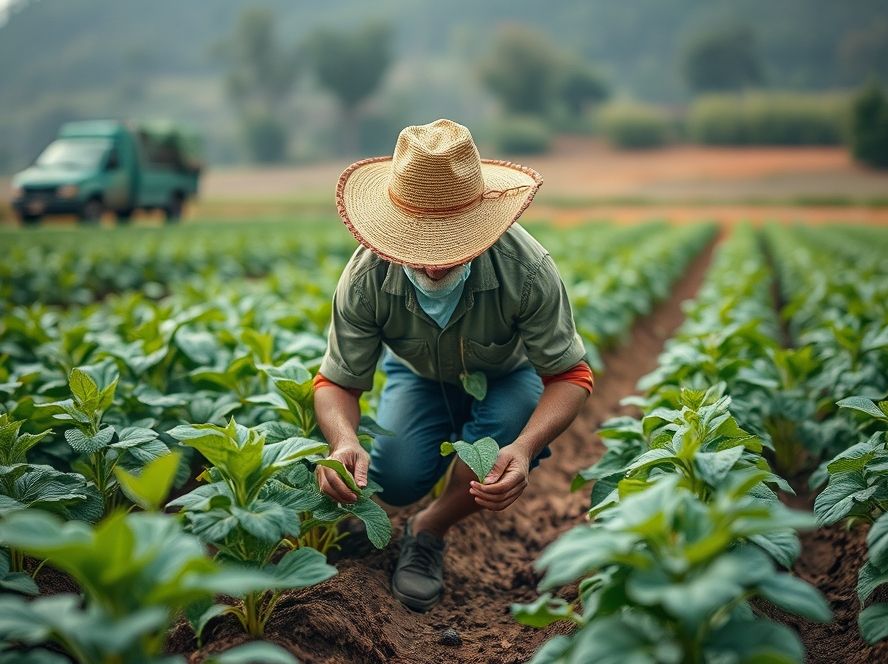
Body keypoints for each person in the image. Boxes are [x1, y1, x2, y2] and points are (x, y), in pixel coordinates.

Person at [312, 118, 594, 612]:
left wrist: (525, 449)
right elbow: (336, 381)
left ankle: (430, 528)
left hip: (510, 375)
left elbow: (570, 376)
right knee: (395, 478)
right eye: (419, 244)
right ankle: (411, 499)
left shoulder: (526, 270)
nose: (435, 263)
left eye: (452, 242)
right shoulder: (364, 279)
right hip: (418, 376)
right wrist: (344, 441)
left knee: (500, 444)